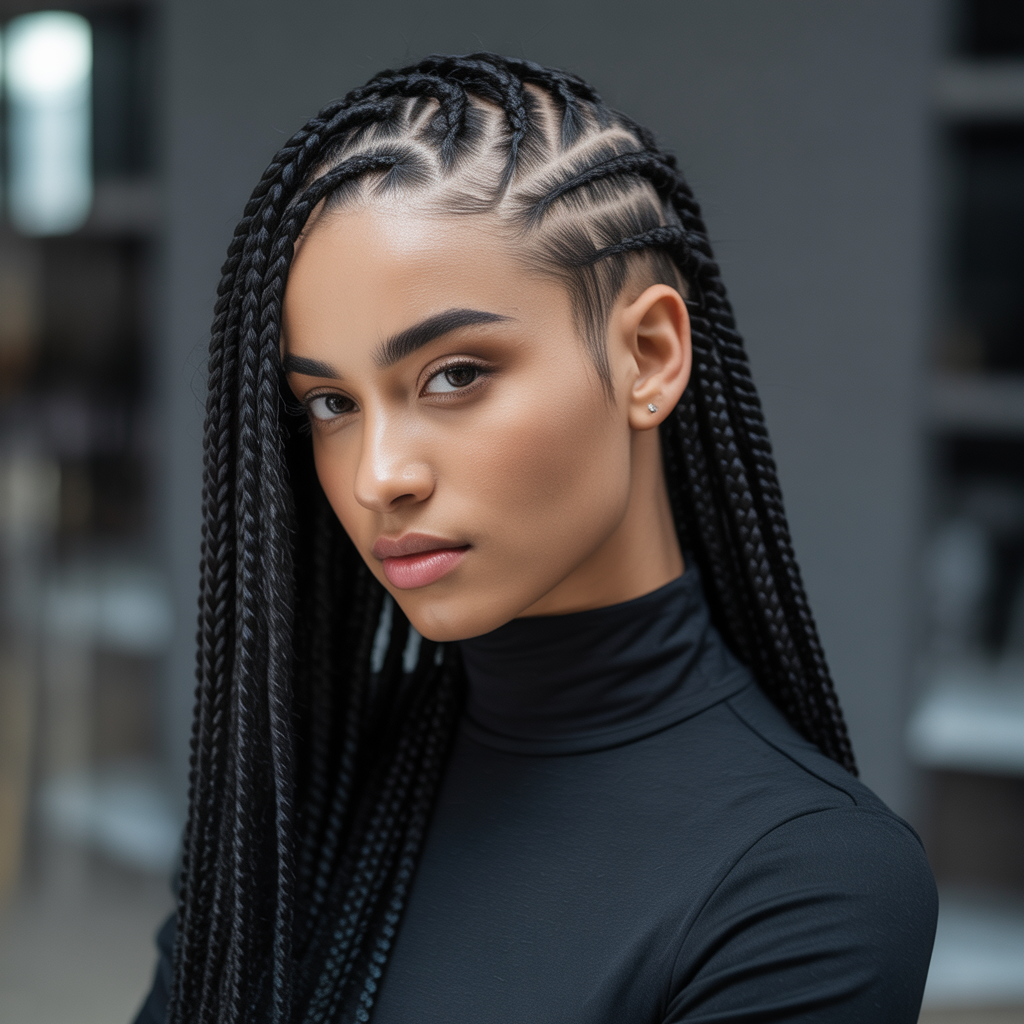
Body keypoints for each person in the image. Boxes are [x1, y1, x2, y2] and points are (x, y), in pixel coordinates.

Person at [135, 53, 937, 1024]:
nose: (378, 475)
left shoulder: (808, 887)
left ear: (649, 356)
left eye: (455, 375)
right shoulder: (302, 784)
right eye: (331, 402)